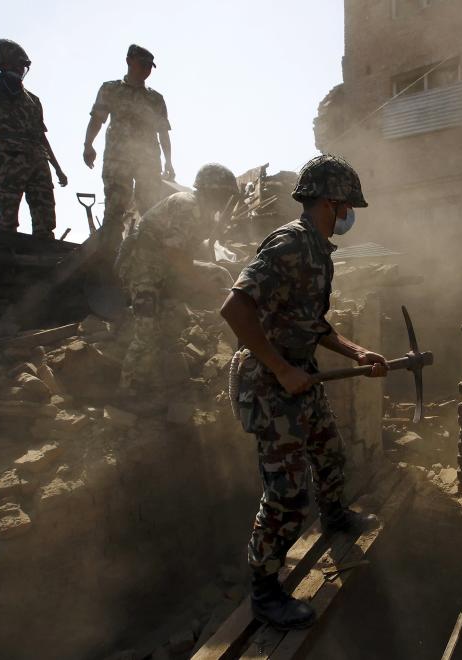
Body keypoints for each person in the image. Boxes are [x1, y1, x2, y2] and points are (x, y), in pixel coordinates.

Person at [220, 155, 388, 630]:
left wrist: (357, 353)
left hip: (299, 375)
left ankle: (335, 517)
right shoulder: (290, 245)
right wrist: (281, 370)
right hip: (268, 385)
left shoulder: (319, 252)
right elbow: (234, 309)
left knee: (330, 455)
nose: (348, 216)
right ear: (331, 203)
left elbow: (313, 325)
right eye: (346, 207)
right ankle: (265, 590)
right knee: (287, 495)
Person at [115, 163, 239, 400]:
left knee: (218, 273)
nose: (225, 202)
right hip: (143, 270)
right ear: (212, 192)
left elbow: (183, 256)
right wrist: (198, 283)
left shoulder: (200, 212)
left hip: (163, 269)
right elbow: (175, 254)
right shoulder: (187, 205)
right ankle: (128, 392)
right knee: (147, 330)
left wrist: (207, 279)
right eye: (224, 195)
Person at [0, 39, 68, 239]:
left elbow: (41, 137)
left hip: (39, 162)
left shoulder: (33, 100)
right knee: (7, 219)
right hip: (9, 159)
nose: (22, 68)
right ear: (2, 62)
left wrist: (57, 168)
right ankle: (5, 263)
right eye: (18, 63)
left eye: (24, 64)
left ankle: (46, 260)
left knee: (45, 221)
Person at [83, 44, 174, 249]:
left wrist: (169, 162)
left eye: (150, 66)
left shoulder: (155, 98)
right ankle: (108, 257)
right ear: (129, 61)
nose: (147, 70)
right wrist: (88, 145)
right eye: (143, 64)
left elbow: (163, 133)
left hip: (148, 161)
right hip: (118, 159)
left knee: (151, 209)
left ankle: (150, 255)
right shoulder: (111, 89)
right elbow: (97, 119)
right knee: (115, 208)